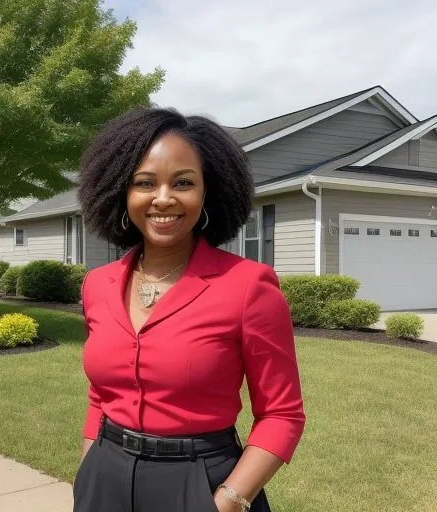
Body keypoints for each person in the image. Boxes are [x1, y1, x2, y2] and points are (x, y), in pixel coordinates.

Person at [73, 107, 306, 512]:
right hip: (104, 479)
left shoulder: (249, 286)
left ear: (207, 192)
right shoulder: (98, 284)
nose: (163, 198)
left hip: (200, 483)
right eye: (144, 183)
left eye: (183, 182)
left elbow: (282, 414)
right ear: (121, 192)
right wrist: (88, 467)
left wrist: (229, 500)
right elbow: (101, 395)